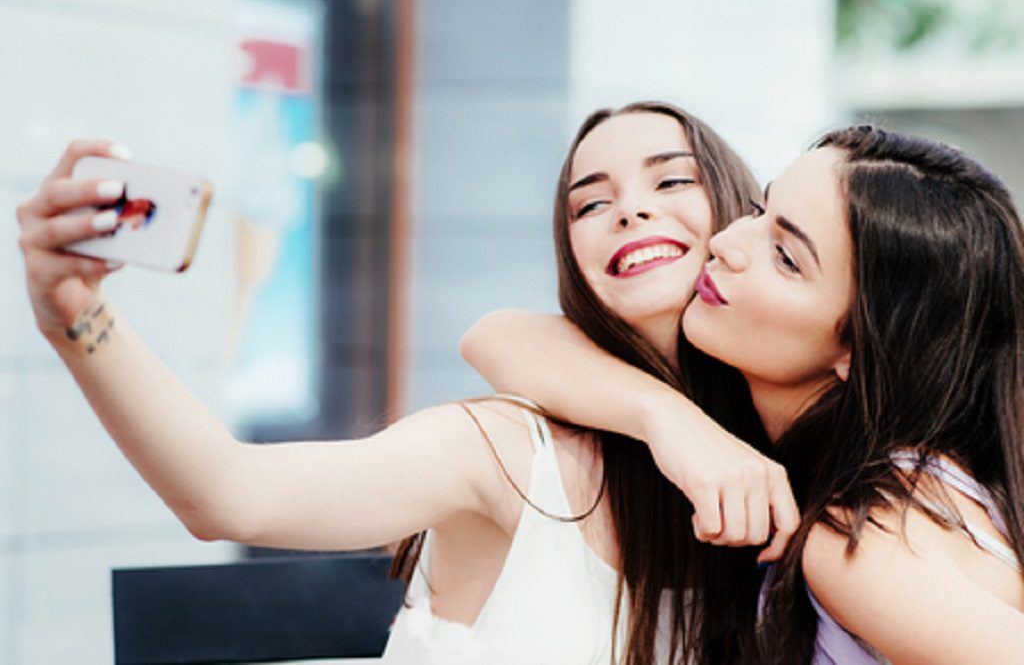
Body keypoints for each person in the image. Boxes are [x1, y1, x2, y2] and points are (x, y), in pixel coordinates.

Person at [15, 102, 797, 664]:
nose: (628, 212)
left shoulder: (791, 461)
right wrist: (78, 320)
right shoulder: (505, 452)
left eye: (671, 182)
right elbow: (228, 493)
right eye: (590, 202)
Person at [462, 125, 1024, 662]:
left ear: (861, 346)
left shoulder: (862, 538)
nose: (727, 242)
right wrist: (669, 422)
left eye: (785, 257)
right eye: (759, 211)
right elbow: (497, 336)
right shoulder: (905, 481)